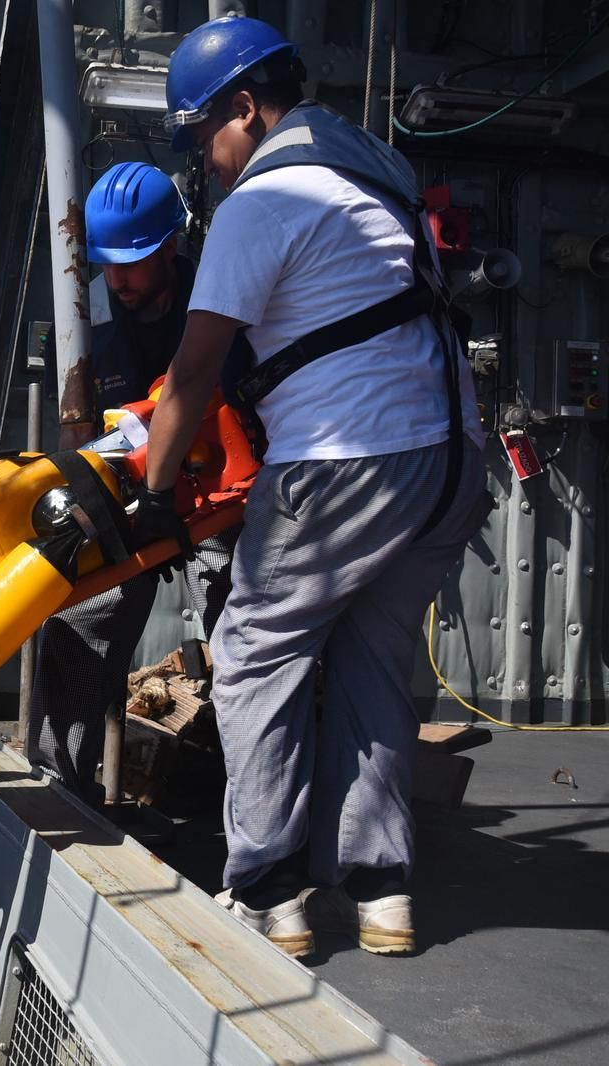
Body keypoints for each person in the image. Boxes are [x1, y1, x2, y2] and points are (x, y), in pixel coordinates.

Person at [142, 16, 488, 957]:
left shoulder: (265, 201)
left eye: (202, 134)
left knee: (254, 652)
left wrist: (155, 490)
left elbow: (194, 371)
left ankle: (268, 891)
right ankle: (381, 895)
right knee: (374, 663)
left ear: (246, 111)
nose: (204, 161)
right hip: (451, 460)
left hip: (347, 460)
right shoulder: (376, 186)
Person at [31, 161, 239, 806]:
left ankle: (257, 817)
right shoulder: (85, 316)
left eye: (132, 262)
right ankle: (59, 788)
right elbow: (78, 436)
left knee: (245, 645)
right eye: (106, 262)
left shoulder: (221, 293)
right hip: (124, 496)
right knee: (77, 622)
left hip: (218, 500)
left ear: (170, 248)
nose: (116, 278)